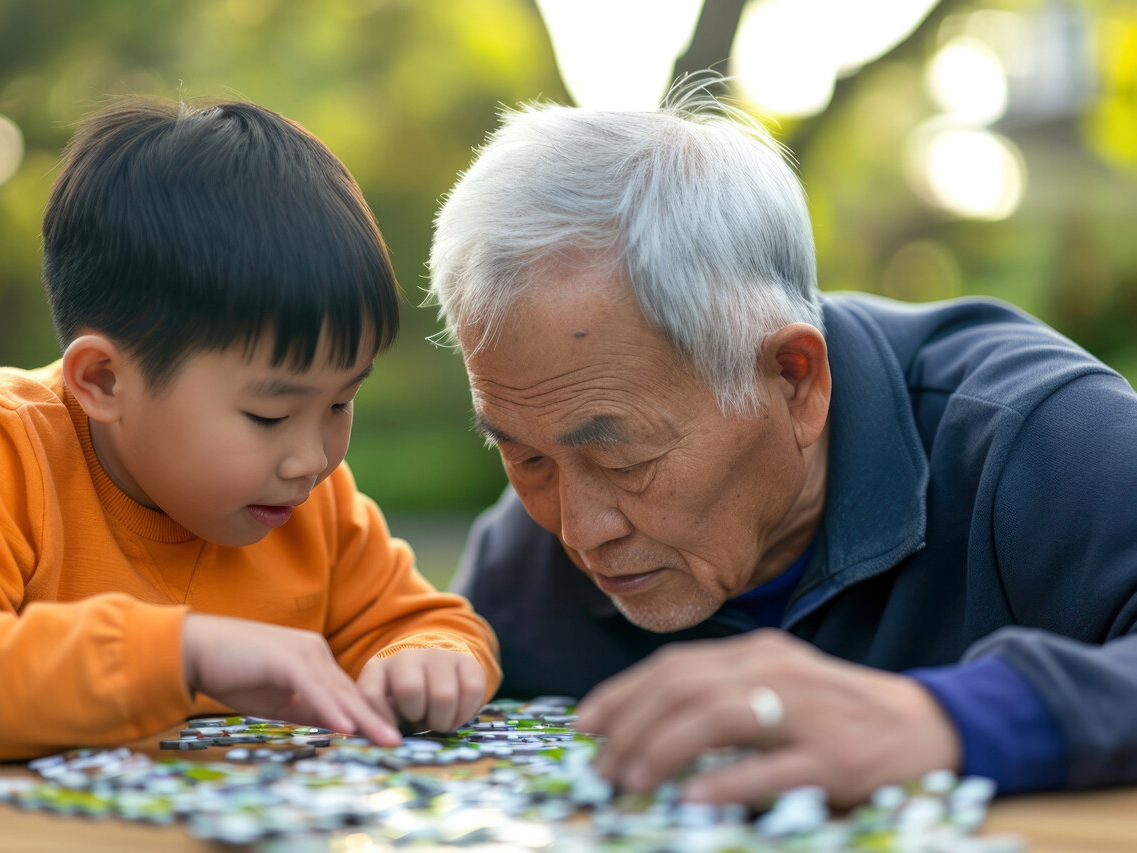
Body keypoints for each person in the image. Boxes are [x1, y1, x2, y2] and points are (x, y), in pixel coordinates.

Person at [429, 81, 1137, 808]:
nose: (579, 529)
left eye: (624, 459)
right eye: (528, 457)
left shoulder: (1037, 434)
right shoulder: (524, 564)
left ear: (795, 379)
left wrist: (944, 720)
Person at [0, 97, 499, 760]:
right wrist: (185, 651)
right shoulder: (11, 445)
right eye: (269, 414)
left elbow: (420, 621)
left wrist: (429, 659)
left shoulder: (305, 501)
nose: (313, 458)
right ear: (104, 380)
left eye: (340, 403)